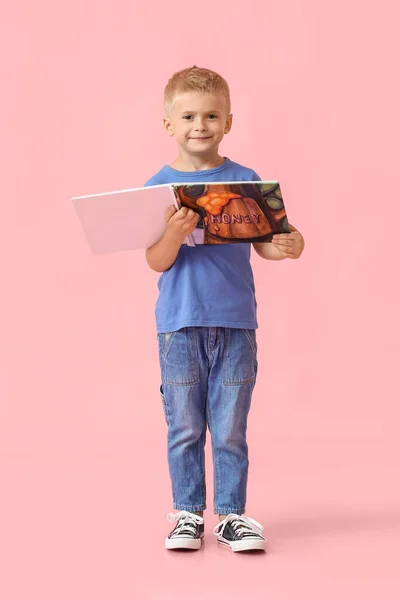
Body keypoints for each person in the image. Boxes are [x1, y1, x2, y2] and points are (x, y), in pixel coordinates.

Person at [144, 66, 305, 552]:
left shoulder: (247, 181)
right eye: (188, 116)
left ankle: (232, 515)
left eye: (211, 115)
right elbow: (156, 260)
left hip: (236, 324)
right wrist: (173, 233)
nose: (200, 124)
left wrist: (289, 244)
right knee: (185, 425)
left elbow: (267, 246)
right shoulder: (156, 187)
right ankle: (187, 514)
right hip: (178, 326)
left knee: (231, 427)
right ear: (168, 124)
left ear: (228, 122)